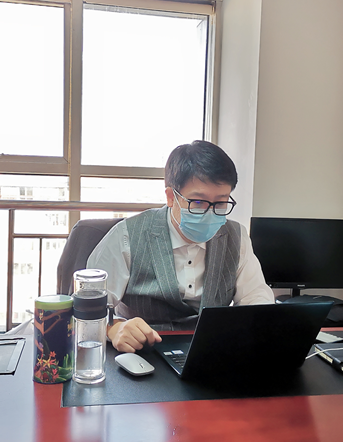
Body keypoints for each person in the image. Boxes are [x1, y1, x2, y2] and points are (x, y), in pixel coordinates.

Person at [87, 140, 274, 352]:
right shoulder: (127, 235)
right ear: (170, 197)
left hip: (211, 350)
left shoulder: (236, 236)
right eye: (198, 202)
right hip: (141, 351)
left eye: (221, 203)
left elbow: (256, 299)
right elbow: (87, 308)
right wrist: (113, 328)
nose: (210, 212)